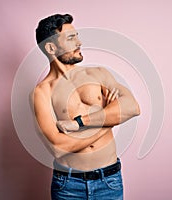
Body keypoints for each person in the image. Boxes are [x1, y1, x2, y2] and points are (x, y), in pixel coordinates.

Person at [34, 13, 140, 200]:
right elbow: (58, 147)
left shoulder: (98, 74)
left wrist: (79, 124)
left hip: (109, 180)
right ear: (51, 47)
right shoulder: (42, 92)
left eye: (77, 36)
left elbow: (132, 107)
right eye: (71, 38)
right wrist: (108, 121)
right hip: (68, 186)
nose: (79, 42)